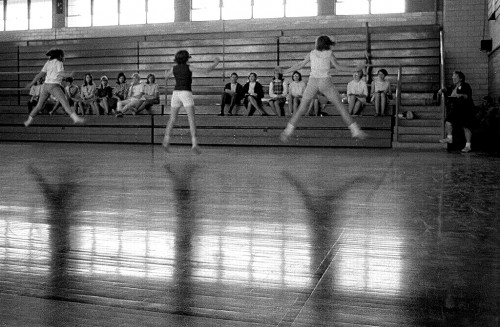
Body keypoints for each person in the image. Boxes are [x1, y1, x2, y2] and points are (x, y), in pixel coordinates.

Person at [280, 35, 367, 142]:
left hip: (313, 82)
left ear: (318, 43)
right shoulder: (329, 53)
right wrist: (355, 69)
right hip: (325, 81)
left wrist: (284, 71)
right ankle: (355, 130)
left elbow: (299, 65)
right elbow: (339, 67)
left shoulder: (312, 53)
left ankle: (287, 132)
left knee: (301, 108)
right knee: (340, 107)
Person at [162, 50, 220, 153]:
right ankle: (194, 143)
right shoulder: (189, 67)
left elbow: (166, 77)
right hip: (186, 93)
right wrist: (216, 63)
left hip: (175, 93)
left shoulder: (174, 68)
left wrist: (166, 72)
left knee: (172, 119)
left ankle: (166, 141)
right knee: (191, 119)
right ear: (186, 58)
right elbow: (206, 71)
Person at [24, 48, 84, 126]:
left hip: (45, 86)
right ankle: (75, 118)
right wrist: (70, 74)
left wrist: (31, 83)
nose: (64, 57)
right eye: (63, 56)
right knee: (64, 102)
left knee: (39, 106)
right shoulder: (59, 63)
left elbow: (40, 75)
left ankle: (28, 121)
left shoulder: (48, 62)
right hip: (54, 86)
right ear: (60, 56)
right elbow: (61, 73)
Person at [438, 71, 475, 153]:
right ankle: (450, 138)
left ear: (461, 78)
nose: (453, 78)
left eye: (455, 77)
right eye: (453, 77)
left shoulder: (465, 85)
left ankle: (468, 146)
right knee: (448, 121)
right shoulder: (453, 86)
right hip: (457, 109)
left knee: (466, 127)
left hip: (466, 109)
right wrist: (442, 89)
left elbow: (467, 96)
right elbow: (447, 89)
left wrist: (461, 95)